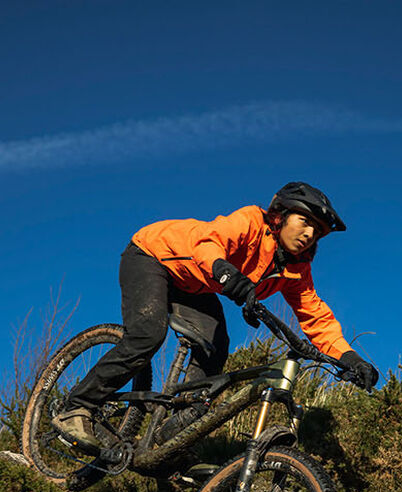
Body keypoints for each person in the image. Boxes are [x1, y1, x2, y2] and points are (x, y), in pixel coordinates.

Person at [52, 182, 379, 448]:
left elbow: (316, 317)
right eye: (305, 222)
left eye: (318, 231)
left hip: (196, 286)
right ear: (280, 216)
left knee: (215, 348)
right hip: (154, 256)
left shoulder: (296, 270)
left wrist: (349, 357)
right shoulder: (252, 221)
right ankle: (77, 406)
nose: (310, 234)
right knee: (148, 333)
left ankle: (170, 438)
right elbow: (208, 242)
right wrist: (225, 272)